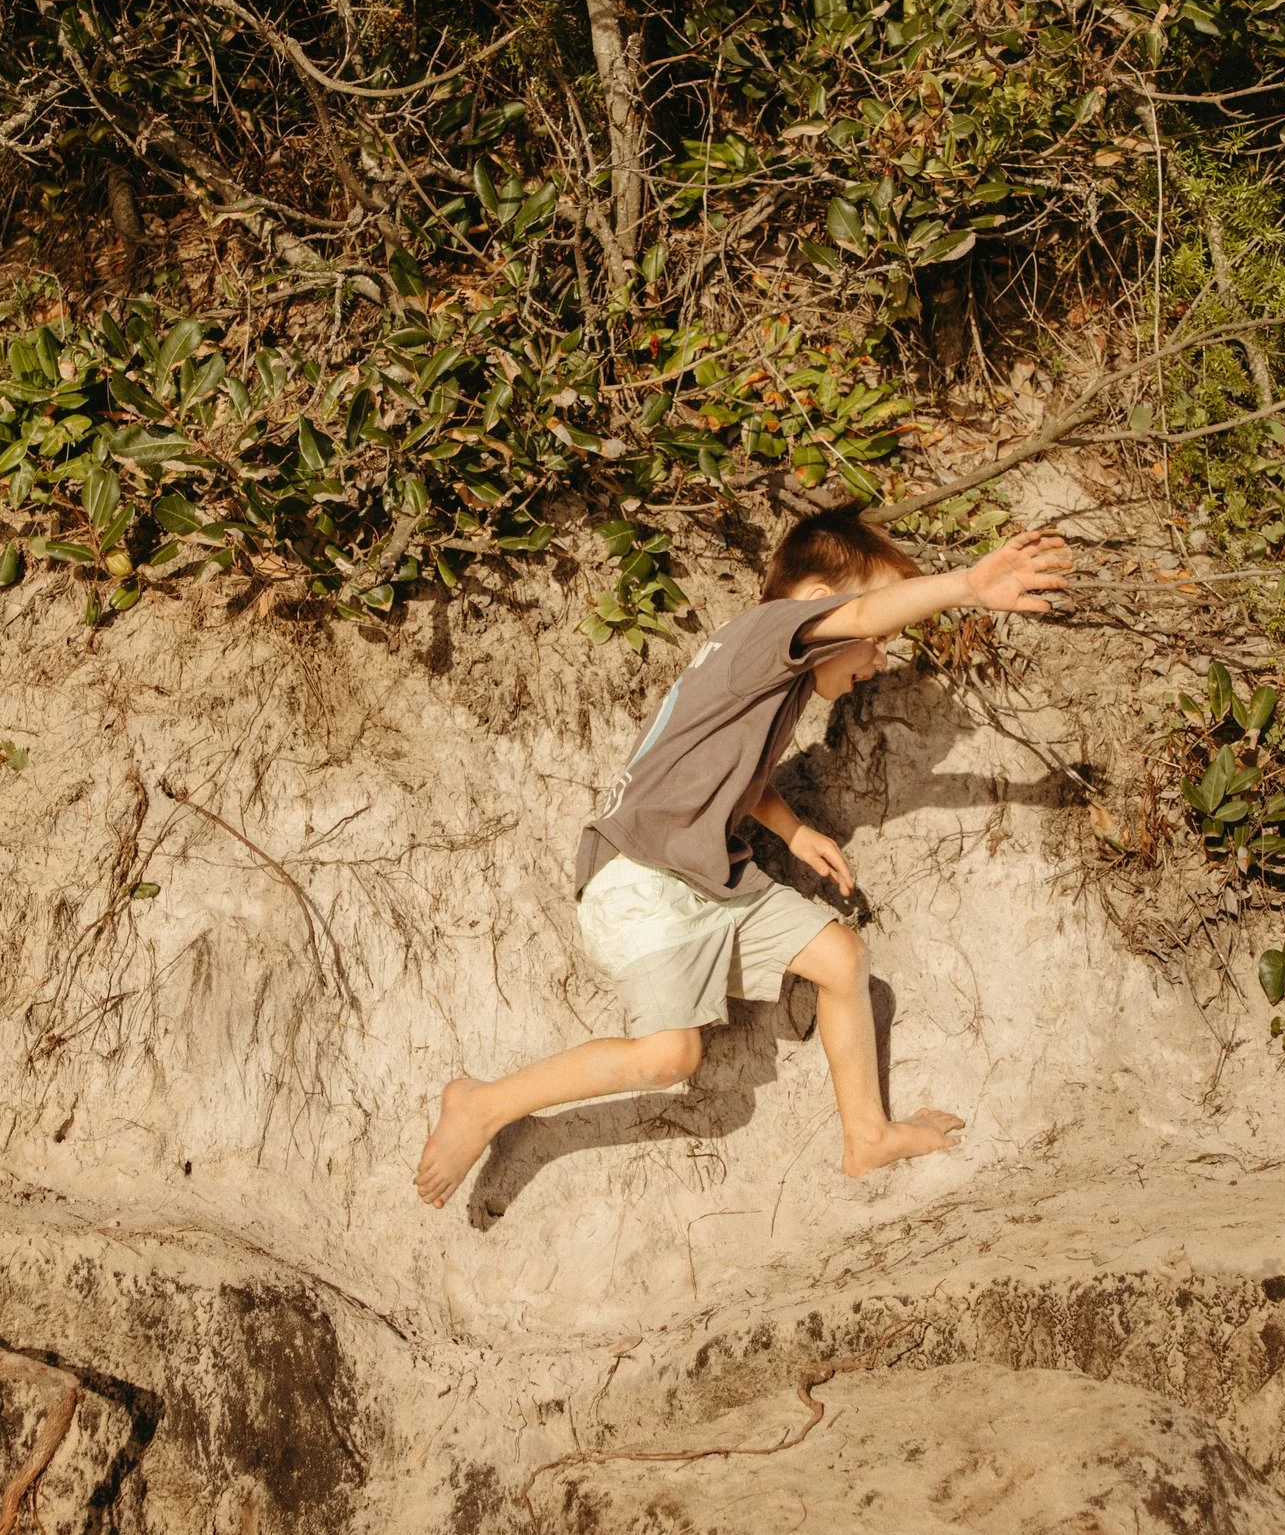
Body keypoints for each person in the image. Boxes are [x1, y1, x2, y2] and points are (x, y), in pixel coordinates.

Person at [415, 507, 1073, 1208]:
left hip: (706, 876)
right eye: (875, 638)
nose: (878, 657)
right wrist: (968, 586)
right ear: (822, 605)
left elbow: (731, 771)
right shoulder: (765, 632)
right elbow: (864, 611)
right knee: (672, 1056)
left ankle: (868, 1136)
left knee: (841, 958)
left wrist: (791, 832)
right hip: (642, 875)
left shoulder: (771, 676)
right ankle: (484, 1103)